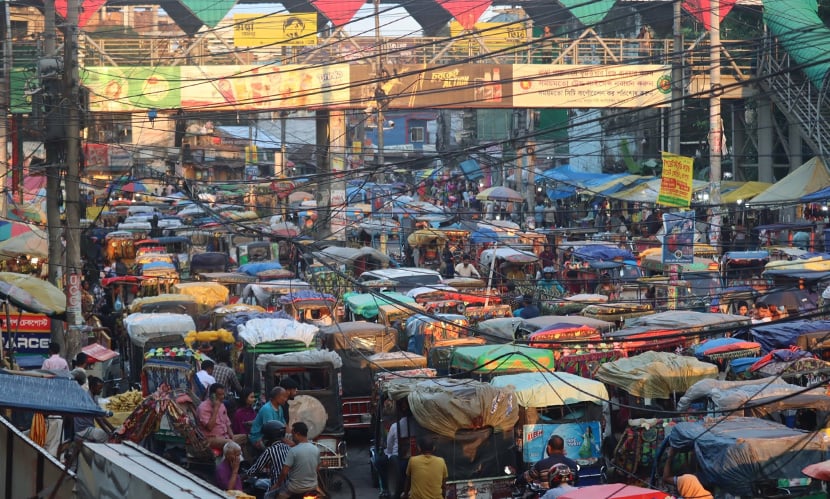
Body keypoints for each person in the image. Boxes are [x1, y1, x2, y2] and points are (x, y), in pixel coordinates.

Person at [246, 420, 291, 498]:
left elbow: (255, 469)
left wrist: (244, 475)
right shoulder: (288, 447)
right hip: (290, 485)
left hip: (278, 487)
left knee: (260, 488)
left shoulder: (270, 450)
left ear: (269, 436)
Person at [275, 422, 320, 499]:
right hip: (313, 486)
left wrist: (277, 485)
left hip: (295, 489)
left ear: (297, 434)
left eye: (292, 435)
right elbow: (317, 468)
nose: (292, 437)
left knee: (277, 495)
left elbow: (284, 472)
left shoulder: (293, 451)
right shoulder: (316, 449)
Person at [197, 383, 247, 451]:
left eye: (223, 394)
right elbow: (210, 427)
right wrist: (215, 409)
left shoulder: (222, 405)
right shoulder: (203, 408)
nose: (223, 397)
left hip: (225, 436)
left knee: (245, 437)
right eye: (220, 395)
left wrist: (231, 434)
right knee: (230, 443)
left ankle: (245, 460)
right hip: (211, 438)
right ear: (213, 395)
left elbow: (227, 423)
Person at [74, 376, 108, 443]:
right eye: (99, 388)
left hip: (88, 427)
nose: (101, 390)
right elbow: (98, 418)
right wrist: (109, 432)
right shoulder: (88, 398)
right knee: (106, 436)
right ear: (93, 387)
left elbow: (100, 415)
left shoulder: (94, 397)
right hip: (83, 429)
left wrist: (112, 429)